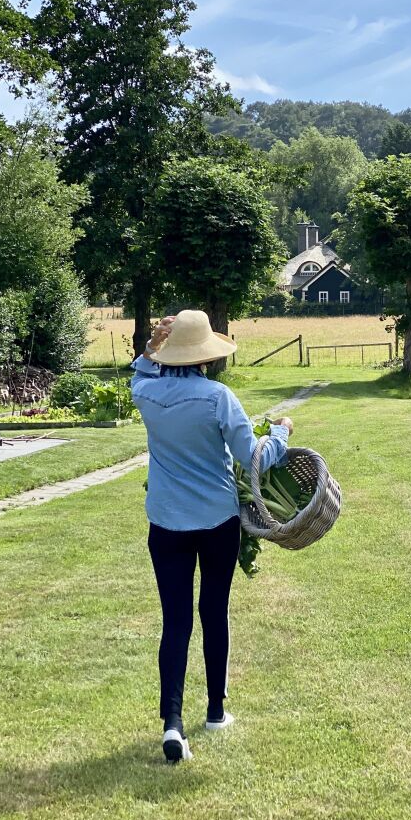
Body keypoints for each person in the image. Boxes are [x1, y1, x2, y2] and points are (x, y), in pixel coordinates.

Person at [131, 310, 293, 764]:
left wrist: (151, 346)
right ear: (205, 356)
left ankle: (172, 723)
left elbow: (140, 371)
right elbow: (253, 456)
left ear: (170, 354)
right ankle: (217, 711)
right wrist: (280, 433)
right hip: (217, 521)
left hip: (165, 522)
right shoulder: (218, 397)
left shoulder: (146, 395)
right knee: (213, 611)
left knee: (175, 621)